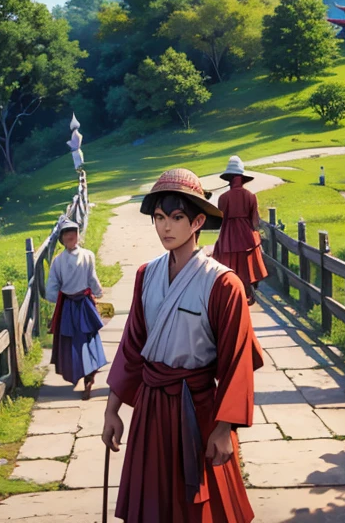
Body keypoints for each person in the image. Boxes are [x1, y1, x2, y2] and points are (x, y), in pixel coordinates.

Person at [102, 168, 263, 523]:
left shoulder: (222, 284)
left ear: (197, 222)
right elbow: (132, 346)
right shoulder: (147, 274)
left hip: (199, 409)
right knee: (153, 504)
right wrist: (112, 409)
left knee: (203, 508)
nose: (166, 228)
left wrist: (225, 429)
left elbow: (238, 362)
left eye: (176, 218)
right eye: (159, 218)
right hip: (151, 406)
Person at [45, 216, 106, 400]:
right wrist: (98, 293)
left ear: (76, 236)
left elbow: (52, 287)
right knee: (87, 337)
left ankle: (81, 373)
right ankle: (89, 374)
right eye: (68, 235)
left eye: (72, 234)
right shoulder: (86, 256)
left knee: (74, 341)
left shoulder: (59, 261)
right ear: (63, 238)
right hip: (83, 304)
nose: (70, 238)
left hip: (70, 306)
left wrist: (55, 299)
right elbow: (92, 279)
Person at [211, 156, 268, 305]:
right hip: (247, 237)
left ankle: (231, 292)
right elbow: (255, 221)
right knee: (247, 265)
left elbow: (220, 220)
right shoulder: (251, 196)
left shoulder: (223, 198)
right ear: (242, 179)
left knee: (227, 266)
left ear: (229, 179)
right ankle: (249, 288)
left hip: (228, 237)